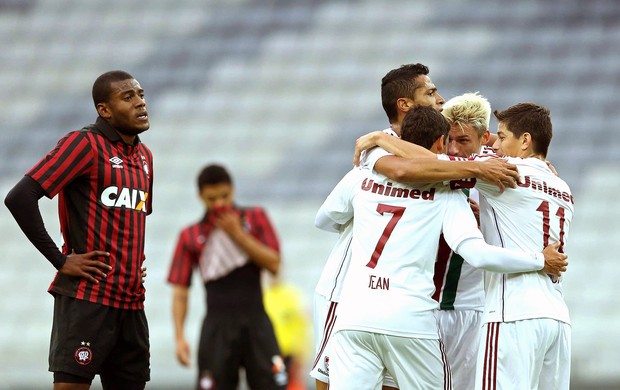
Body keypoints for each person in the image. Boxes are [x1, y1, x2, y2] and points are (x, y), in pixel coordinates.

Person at [319, 106, 567, 389]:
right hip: (414, 317)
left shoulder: (363, 176)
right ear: (441, 142)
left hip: (355, 314)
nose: (494, 146)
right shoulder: (453, 190)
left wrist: (380, 141)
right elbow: (475, 251)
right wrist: (539, 259)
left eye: (500, 137)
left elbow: (323, 219)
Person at [309, 64, 520, 390]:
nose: (440, 98)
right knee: (328, 376)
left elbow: (324, 218)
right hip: (358, 291)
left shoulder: (445, 159)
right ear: (405, 104)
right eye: (431, 92)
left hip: (390, 303)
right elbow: (407, 172)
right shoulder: (378, 149)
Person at [4, 70, 153, 389]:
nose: (140, 103)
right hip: (88, 300)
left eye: (141, 94)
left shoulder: (145, 157)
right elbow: (20, 197)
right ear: (105, 110)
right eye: (128, 97)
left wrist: (132, 264)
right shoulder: (84, 144)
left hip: (132, 305)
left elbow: (131, 221)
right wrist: (61, 261)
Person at [167, 164, 288, 390]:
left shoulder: (256, 217)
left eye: (224, 196)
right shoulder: (190, 235)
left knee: (274, 385)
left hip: (257, 322)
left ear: (232, 190)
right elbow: (180, 291)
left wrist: (237, 234)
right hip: (216, 327)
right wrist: (180, 337)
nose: (219, 204)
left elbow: (274, 264)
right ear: (200, 196)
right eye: (211, 199)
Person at [432, 92, 496, 389]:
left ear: (484, 138)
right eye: (450, 139)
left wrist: (485, 219)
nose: (454, 149)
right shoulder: (432, 167)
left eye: (464, 141)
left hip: (472, 311)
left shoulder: (499, 178)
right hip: (426, 308)